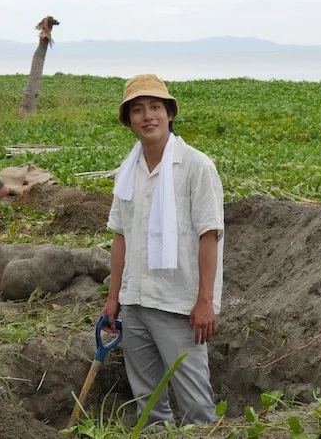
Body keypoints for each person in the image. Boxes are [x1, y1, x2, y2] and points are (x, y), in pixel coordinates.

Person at [101, 74, 224, 425]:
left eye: (155, 107)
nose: (147, 116)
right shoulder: (128, 171)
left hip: (178, 305)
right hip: (136, 302)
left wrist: (204, 301)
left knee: (197, 407)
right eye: (138, 110)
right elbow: (121, 236)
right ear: (129, 121)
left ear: (169, 113)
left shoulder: (196, 166)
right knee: (149, 406)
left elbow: (209, 234)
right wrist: (114, 298)